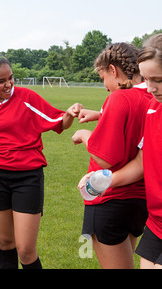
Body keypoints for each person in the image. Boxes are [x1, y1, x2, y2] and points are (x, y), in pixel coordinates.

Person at [0, 52, 82, 269]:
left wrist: (69, 113)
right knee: (5, 243)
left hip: (27, 178)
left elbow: (59, 122)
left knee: (26, 251)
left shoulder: (27, 97)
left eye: (11, 77)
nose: (9, 84)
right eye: (1, 81)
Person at [72, 43, 151, 269]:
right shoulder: (154, 98)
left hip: (109, 199)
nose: (105, 85)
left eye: (103, 77)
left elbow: (106, 159)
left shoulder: (119, 98)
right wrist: (101, 115)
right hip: (140, 201)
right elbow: (135, 125)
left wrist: (86, 135)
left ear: (113, 70)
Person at [104, 34, 162, 268]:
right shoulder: (153, 107)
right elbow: (141, 161)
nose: (150, 88)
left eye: (157, 79)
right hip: (156, 222)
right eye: (146, 79)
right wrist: (106, 180)